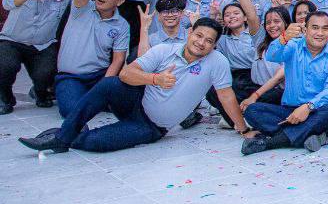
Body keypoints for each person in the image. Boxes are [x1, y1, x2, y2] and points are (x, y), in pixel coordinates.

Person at [19, 17, 250, 154]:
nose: (201, 43)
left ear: (214, 45)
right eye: (199, 36)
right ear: (189, 33)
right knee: (109, 84)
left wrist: (243, 129)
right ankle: (61, 138)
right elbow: (126, 73)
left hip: (152, 127)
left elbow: (226, 96)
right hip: (134, 102)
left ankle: (70, 133)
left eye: (209, 41)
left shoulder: (217, 62)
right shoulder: (164, 50)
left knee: (95, 143)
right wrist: (155, 79)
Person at [241, 11, 328, 154]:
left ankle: (271, 142)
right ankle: (308, 135)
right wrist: (283, 37)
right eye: (315, 28)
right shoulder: (293, 45)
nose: (320, 33)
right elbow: (271, 56)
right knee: (252, 111)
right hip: (289, 112)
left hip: (317, 111)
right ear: (305, 30)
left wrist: (308, 107)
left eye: (325, 28)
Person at [0, 0, 72, 112]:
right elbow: (7, 2)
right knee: (4, 66)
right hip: (12, 41)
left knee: (47, 73)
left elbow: (85, 1)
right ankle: (5, 97)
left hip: (43, 45)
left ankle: (40, 92)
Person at [54, 0, 132, 117]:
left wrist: (104, 86)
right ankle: (88, 99)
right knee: (71, 111)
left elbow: (118, 60)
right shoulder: (81, 8)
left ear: (120, 1)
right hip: (71, 76)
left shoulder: (122, 25)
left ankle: (92, 98)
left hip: (99, 75)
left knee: (127, 103)